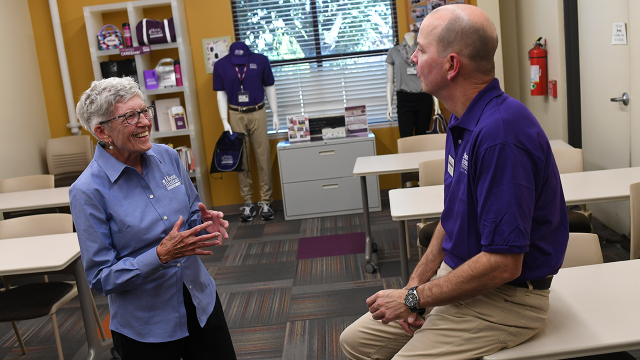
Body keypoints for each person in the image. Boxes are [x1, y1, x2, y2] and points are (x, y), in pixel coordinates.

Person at [340, 4, 569, 359]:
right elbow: (453, 218)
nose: (413, 58)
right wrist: (416, 284)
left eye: (422, 49)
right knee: (353, 342)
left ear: (451, 65)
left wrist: (414, 299)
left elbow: (504, 263)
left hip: (507, 299)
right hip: (463, 277)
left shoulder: (500, 135)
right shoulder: (463, 120)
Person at [71, 77, 236, 360]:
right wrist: (159, 256)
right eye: (129, 116)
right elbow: (100, 278)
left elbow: (192, 215)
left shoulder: (168, 156)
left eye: (144, 111)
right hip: (146, 328)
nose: (145, 122)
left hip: (200, 302)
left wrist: (204, 223)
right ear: (102, 131)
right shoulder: (87, 191)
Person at [214, 41, 279, 222]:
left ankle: (266, 201)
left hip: (258, 111)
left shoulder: (261, 61)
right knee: (241, 159)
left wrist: (275, 114)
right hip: (235, 113)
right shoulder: (221, 65)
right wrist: (224, 120)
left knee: (263, 156)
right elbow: (220, 93)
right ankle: (248, 202)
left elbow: (270, 87)